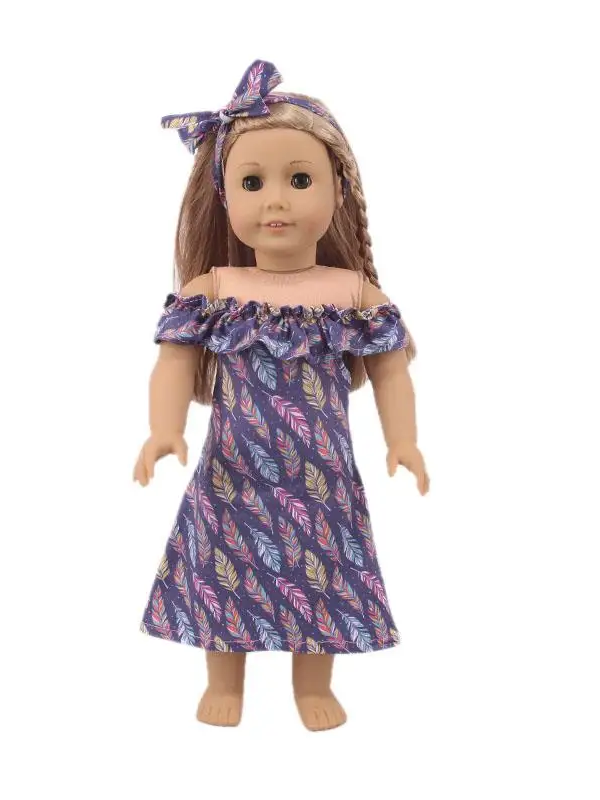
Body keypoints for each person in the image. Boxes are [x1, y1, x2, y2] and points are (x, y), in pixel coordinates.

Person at [134, 59, 429, 732]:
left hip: (321, 478)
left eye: (299, 180)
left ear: (338, 190)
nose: (276, 201)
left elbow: (392, 372)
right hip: (232, 473)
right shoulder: (213, 291)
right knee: (224, 569)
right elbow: (173, 363)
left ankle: (312, 685)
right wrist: (163, 429)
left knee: (322, 575)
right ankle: (224, 680)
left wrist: (404, 441)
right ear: (224, 197)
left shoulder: (351, 294)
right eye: (253, 182)